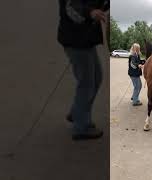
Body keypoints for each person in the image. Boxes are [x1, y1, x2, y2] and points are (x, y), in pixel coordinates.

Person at [57, 0, 109, 140]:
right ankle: (81, 128)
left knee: (96, 78)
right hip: (76, 40)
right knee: (86, 83)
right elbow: (70, 7)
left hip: (86, 39)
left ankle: (77, 113)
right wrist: (90, 12)